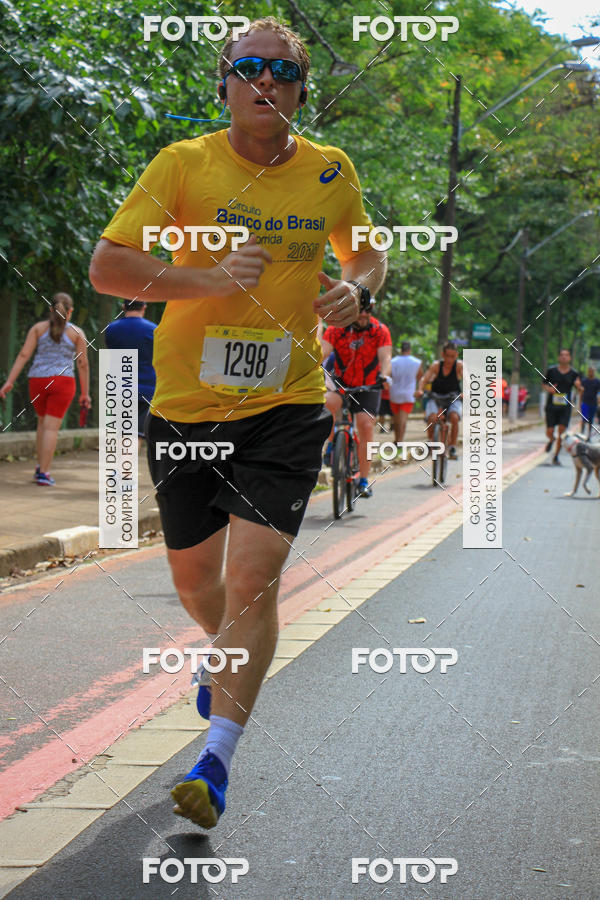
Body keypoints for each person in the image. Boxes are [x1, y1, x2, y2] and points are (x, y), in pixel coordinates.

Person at [89, 16, 386, 829]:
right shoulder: (183, 165)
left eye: (283, 71)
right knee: (198, 583)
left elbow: (366, 251)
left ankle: (215, 762)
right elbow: (109, 266)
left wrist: (358, 287)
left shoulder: (330, 170)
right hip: (187, 407)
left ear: (301, 92)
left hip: (288, 403)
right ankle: (221, 652)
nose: (266, 81)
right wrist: (210, 279)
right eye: (249, 67)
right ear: (223, 84)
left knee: (255, 582)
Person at [0, 293, 90, 485]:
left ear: (51, 309)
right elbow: (82, 364)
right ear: (71, 311)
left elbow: (24, 355)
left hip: (37, 380)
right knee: (51, 428)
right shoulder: (77, 333)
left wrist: (9, 381)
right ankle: (44, 473)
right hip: (63, 382)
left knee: (42, 423)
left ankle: (40, 467)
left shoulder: (38, 329)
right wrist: (85, 393)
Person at [320, 305, 392, 497]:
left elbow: (385, 357)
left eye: (368, 309)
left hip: (368, 384)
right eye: (360, 309)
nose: (364, 314)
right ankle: (331, 443)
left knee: (365, 425)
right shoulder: (336, 329)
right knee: (327, 404)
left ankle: (364, 480)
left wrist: (385, 376)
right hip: (340, 382)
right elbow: (323, 352)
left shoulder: (380, 330)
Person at [104, 300, 157, 450]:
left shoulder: (111, 329)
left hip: (119, 388)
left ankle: (120, 463)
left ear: (123, 307)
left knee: (121, 431)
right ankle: (125, 465)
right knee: (135, 434)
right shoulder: (153, 330)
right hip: (145, 389)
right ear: (144, 307)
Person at [416, 342, 463, 459]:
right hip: (436, 397)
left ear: (456, 356)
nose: (449, 360)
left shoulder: (459, 366)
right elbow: (424, 379)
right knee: (432, 418)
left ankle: (452, 447)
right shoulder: (436, 366)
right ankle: (430, 441)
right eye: (447, 356)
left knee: (454, 417)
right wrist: (420, 390)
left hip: (453, 398)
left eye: (452, 357)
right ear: (443, 355)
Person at [543, 348, 582, 464]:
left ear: (569, 358)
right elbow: (544, 384)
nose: (564, 357)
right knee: (549, 430)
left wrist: (578, 386)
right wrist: (549, 389)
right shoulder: (551, 371)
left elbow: (580, 390)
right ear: (559, 357)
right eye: (562, 355)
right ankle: (551, 439)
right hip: (551, 406)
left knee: (562, 432)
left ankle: (556, 456)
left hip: (565, 407)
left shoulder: (574, 373)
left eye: (566, 355)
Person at [389, 341, 422, 444]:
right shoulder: (417, 362)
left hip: (394, 393)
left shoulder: (392, 361)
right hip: (409, 393)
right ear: (410, 350)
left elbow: (389, 376)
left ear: (401, 350)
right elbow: (420, 376)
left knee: (396, 420)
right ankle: (400, 440)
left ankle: (396, 439)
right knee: (403, 420)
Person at [578, 365, 600, 439]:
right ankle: (581, 434)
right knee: (584, 419)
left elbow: (599, 393)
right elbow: (581, 392)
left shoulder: (597, 382)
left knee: (591, 420)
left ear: (594, 372)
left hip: (593, 403)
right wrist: (580, 402)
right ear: (588, 372)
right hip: (585, 402)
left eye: (592, 371)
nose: (591, 373)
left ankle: (589, 436)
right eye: (590, 371)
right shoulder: (584, 381)